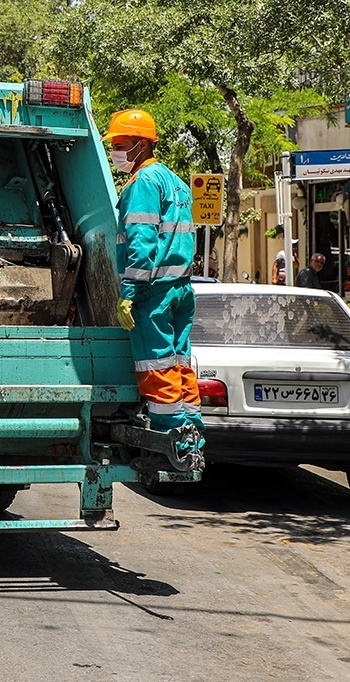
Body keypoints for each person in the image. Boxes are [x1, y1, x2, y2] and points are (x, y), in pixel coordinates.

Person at [105, 109, 204, 446]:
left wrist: (130, 290)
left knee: (156, 362)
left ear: (141, 145)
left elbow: (142, 239)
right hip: (181, 288)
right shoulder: (175, 181)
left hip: (153, 292)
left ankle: (169, 433)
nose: (115, 150)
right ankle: (191, 429)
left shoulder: (143, 183)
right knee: (178, 361)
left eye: (120, 143)